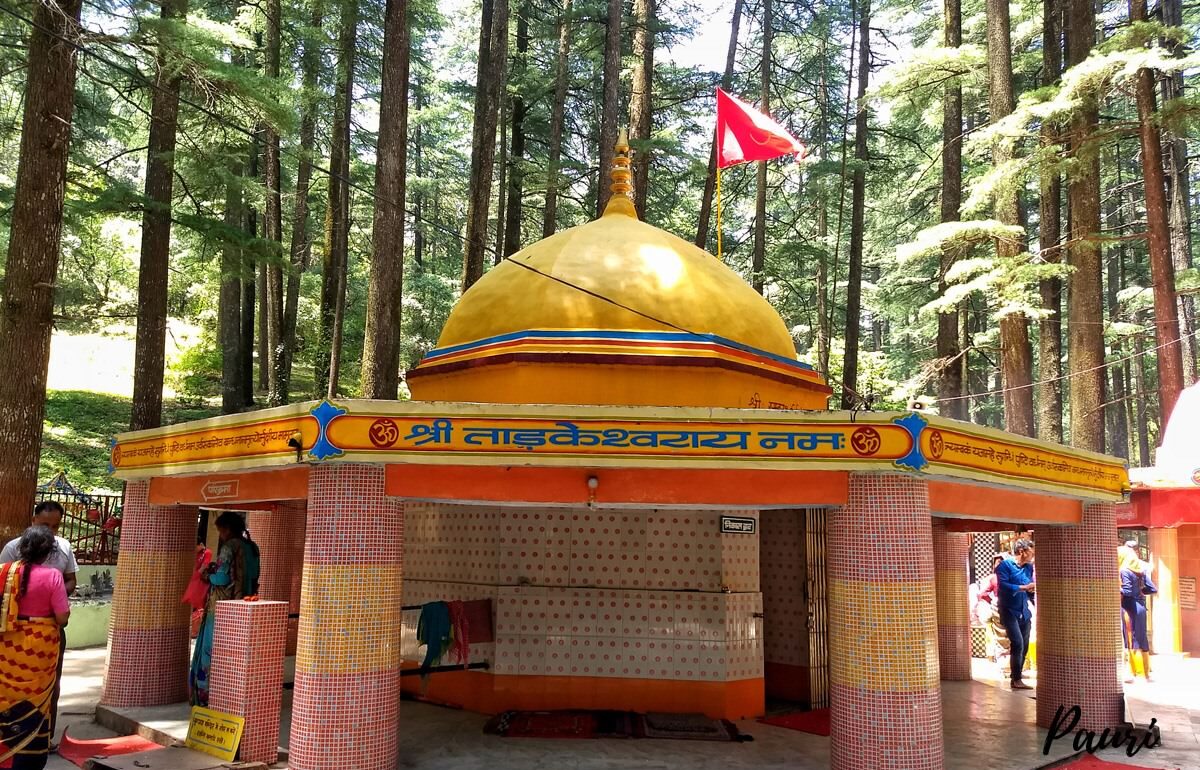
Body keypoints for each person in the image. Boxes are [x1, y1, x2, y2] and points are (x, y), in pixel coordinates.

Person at [0, 502, 78, 750]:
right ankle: (35, 742)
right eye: (46, 525)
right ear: (34, 520)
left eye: (55, 526)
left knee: (6, 686)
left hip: (9, 637)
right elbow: (63, 617)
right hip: (43, 640)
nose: (51, 531)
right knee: (44, 686)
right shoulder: (48, 574)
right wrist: (53, 600)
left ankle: (8, 740)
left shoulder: (5, 570)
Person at [188, 512, 260, 706]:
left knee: (211, 651)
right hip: (245, 607)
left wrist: (207, 575)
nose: (220, 535)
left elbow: (221, 578)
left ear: (227, 529)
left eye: (220, 530)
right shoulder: (252, 547)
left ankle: (206, 696)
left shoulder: (229, 547)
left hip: (222, 607)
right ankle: (233, 696)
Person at [995, 539, 1036, 690]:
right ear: (1022, 552)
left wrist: (1031, 591)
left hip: (1023, 611)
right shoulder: (1004, 566)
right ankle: (1016, 679)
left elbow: (1029, 584)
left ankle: (1017, 672)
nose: (1032, 556)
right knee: (1017, 642)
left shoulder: (1028, 567)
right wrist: (1024, 587)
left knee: (1024, 644)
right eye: (1031, 552)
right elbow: (1003, 586)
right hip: (1008, 610)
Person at [1119, 542, 1155, 681]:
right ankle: (1145, 673)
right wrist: (1141, 592)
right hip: (1141, 607)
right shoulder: (1141, 570)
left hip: (1129, 608)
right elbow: (1152, 589)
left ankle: (1135, 672)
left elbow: (1126, 591)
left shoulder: (1124, 571)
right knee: (1141, 638)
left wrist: (1117, 592)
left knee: (1130, 639)